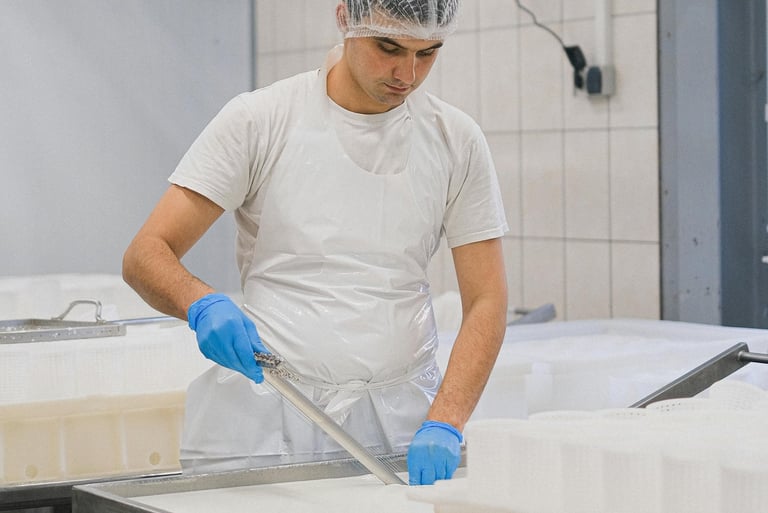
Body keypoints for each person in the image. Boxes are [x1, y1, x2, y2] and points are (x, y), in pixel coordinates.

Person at [122, 0, 508, 486]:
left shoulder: (456, 140)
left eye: (427, 53)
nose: (407, 74)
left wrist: (447, 420)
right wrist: (199, 303)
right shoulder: (261, 120)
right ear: (346, 18)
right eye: (388, 47)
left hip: (399, 424)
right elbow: (146, 252)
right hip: (265, 416)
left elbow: (487, 299)